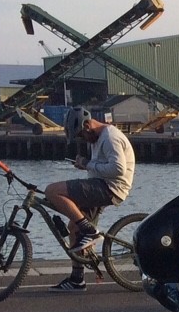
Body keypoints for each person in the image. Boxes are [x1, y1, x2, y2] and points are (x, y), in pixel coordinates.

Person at [44, 107, 136, 289]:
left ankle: (90, 231)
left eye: (81, 135)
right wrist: (85, 165)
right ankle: (77, 280)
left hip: (110, 188)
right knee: (73, 228)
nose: (82, 139)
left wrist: (88, 164)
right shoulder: (97, 137)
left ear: (88, 125)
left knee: (52, 191)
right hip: (101, 184)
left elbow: (118, 169)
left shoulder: (110, 137)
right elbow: (100, 166)